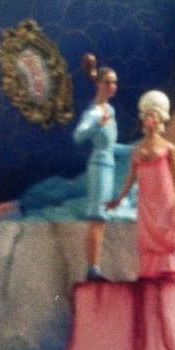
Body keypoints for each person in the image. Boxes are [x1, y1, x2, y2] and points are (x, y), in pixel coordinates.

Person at [105, 89, 175, 278]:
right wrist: (120, 198)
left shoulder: (168, 147)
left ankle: (173, 268)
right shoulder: (137, 148)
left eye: (153, 116)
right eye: (146, 116)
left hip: (165, 196)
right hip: (147, 199)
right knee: (150, 233)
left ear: (159, 120)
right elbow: (131, 176)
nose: (148, 119)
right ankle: (154, 270)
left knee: (166, 230)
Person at [72, 54, 119, 280]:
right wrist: (95, 126)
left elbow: (111, 145)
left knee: (102, 219)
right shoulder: (94, 112)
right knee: (96, 217)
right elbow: (78, 135)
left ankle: (95, 266)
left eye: (114, 82)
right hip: (99, 166)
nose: (112, 86)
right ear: (99, 85)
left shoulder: (111, 111)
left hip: (108, 165)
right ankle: (92, 268)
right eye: (108, 82)